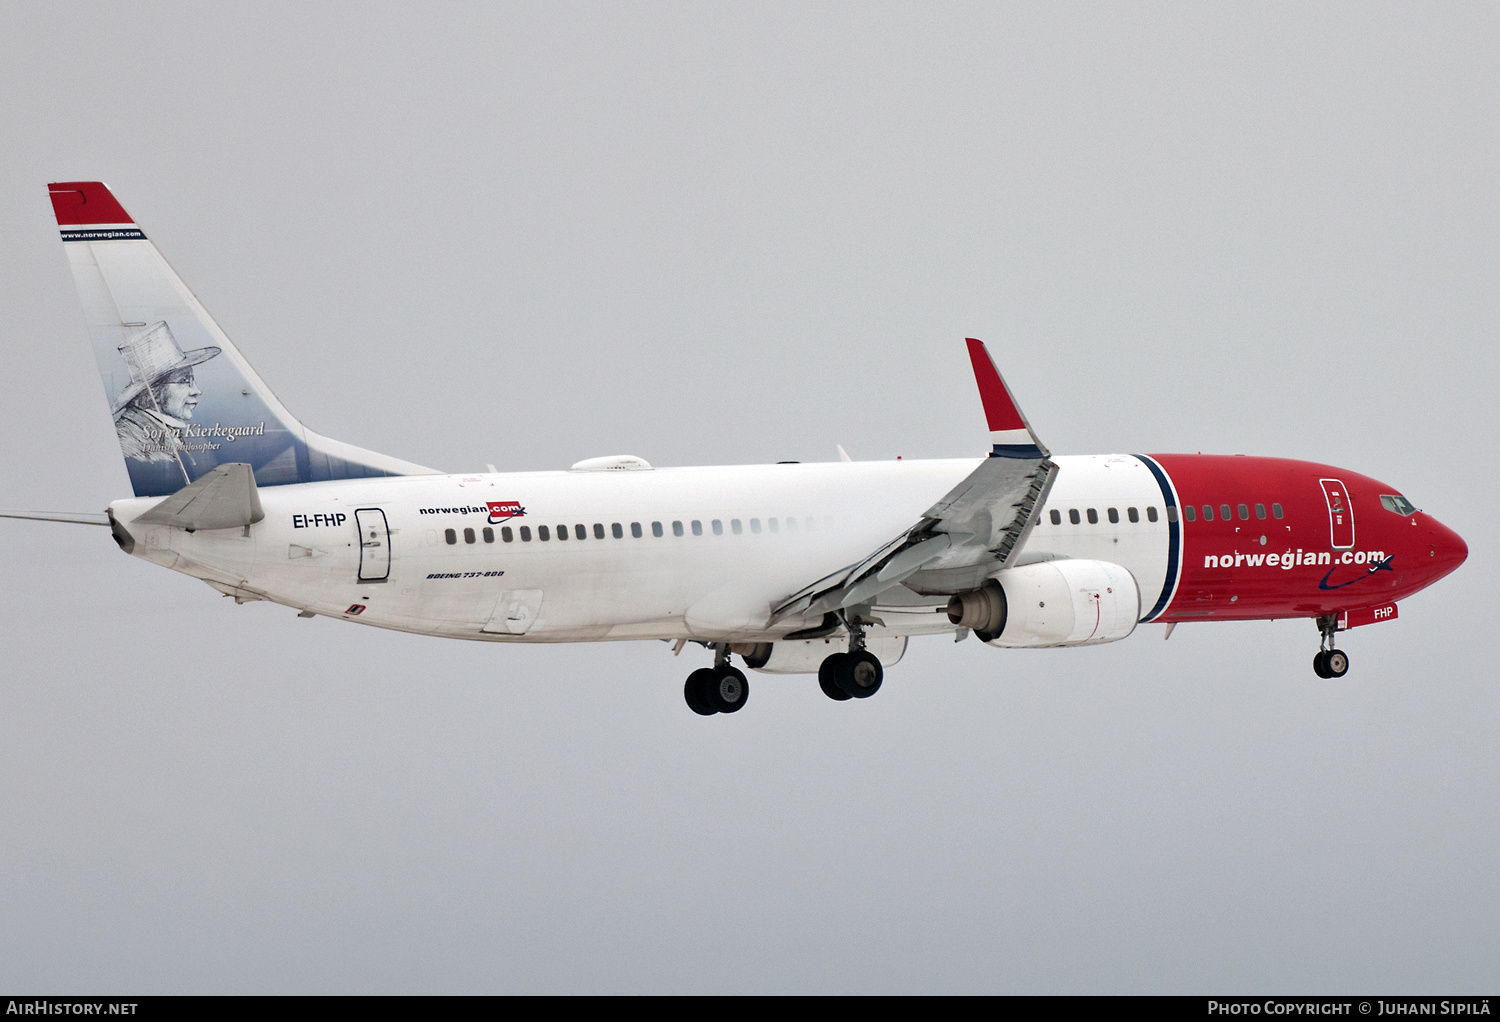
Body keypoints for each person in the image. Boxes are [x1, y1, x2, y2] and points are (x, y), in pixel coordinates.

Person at [111, 321, 221, 463]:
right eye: (184, 380)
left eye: (192, 380)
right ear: (153, 392)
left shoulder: (165, 431)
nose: (197, 391)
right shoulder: (128, 442)